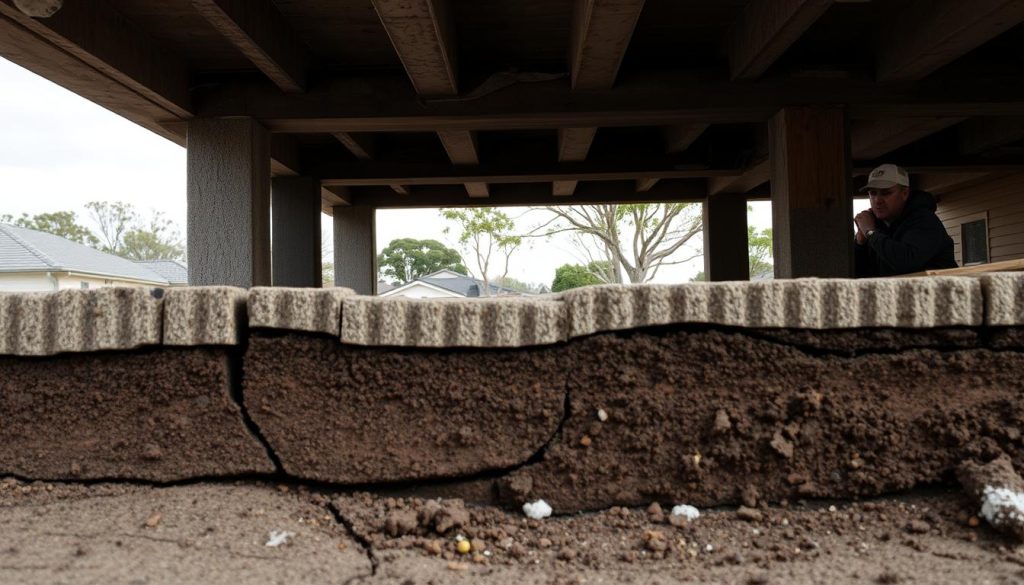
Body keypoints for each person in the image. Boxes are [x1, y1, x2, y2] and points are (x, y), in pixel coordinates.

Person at [854, 164, 957, 277]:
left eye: (886, 193)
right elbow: (859, 276)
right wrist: (860, 243)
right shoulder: (877, 225)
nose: (877, 200)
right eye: (873, 193)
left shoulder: (925, 220)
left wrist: (870, 233)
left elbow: (906, 263)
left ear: (904, 194)